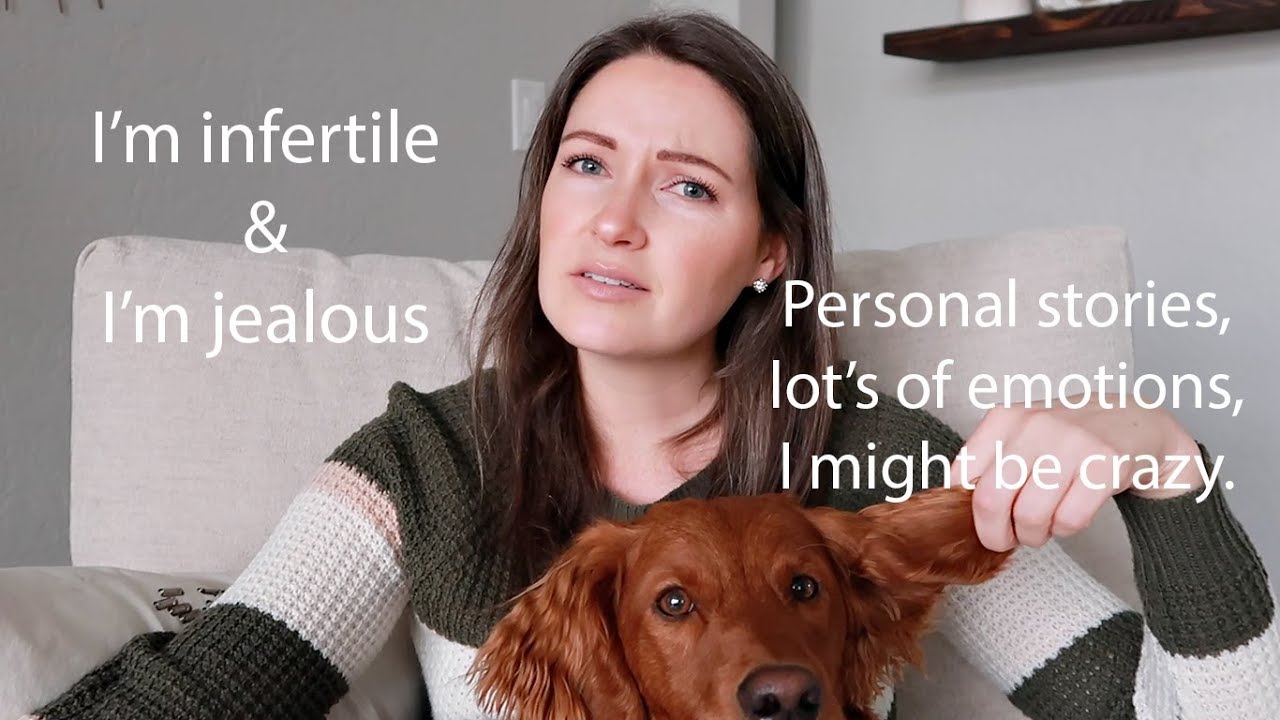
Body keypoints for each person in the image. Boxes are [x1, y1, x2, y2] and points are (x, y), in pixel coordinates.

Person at [27, 10, 1277, 720]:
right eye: (585, 165)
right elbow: (191, 702)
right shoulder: (426, 466)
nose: (614, 221)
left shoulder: (882, 461)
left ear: (768, 250)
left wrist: (1163, 472)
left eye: (685, 186)